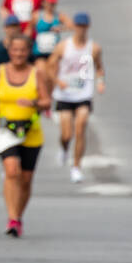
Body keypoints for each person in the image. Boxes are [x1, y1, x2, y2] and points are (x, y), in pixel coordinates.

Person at [0, 34, 50, 237]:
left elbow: (46, 102)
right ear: (9, 51)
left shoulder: (36, 73)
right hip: (6, 131)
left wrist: (33, 103)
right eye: (15, 50)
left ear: (28, 51)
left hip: (30, 132)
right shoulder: (0, 71)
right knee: (12, 170)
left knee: (26, 179)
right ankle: (12, 218)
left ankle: (19, 217)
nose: (19, 54)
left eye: (23, 50)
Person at [48, 13, 104, 184]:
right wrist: (57, 81)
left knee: (80, 129)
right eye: (78, 25)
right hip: (64, 94)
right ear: (74, 27)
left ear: (87, 27)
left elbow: (99, 68)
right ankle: (64, 148)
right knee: (67, 134)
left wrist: (100, 82)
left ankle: (76, 167)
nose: (81, 29)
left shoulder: (93, 48)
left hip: (83, 94)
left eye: (84, 26)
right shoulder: (63, 46)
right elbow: (49, 67)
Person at [30, 0, 64, 82]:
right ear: (43, 3)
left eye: (53, 4)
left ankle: (51, 95)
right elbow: (28, 31)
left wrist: (61, 28)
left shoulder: (58, 16)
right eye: (49, 3)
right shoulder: (37, 15)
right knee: (42, 74)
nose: (51, 6)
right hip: (39, 52)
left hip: (54, 52)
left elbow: (72, 26)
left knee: (53, 76)